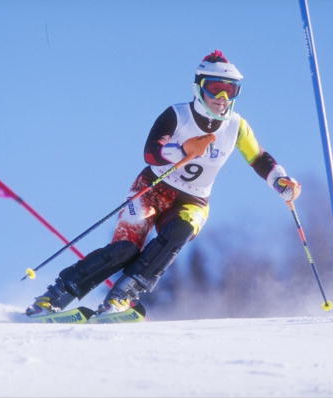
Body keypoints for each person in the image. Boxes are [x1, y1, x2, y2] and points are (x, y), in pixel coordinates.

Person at [26, 50, 301, 316]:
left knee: (179, 233)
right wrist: (183, 150)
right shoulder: (177, 114)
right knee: (125, 249)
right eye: (214, 88)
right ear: (198, 88)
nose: (221, 98)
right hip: (152, 188)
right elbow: (150, 153)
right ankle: (55, 295)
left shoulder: (236, 126)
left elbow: (259, 158)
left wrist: (280, 181)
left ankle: (122, 297)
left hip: (194, 199)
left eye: (230, 90)